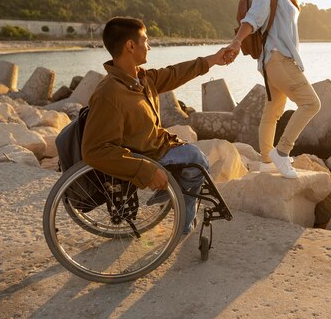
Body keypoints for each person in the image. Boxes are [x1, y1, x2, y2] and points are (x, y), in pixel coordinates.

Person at [81, 16, 230, 233]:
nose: (149, 46)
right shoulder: (109, 94)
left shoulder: (140, 79)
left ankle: (175, 191)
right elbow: (94, 151)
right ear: (131, 46)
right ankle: (184, 224)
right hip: (146, 156)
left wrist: (214, 59)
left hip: (157, 147)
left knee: (193, 158)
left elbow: (176, 73)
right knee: (197, 161)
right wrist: (145, 170)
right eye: (145, 40)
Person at [227, 0, 321, 179]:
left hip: (275, 60)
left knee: (273, 110)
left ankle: (267, 161)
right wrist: (237, 42)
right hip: (278, 59)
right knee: (311, 103)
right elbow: (253, 19)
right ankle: (282, 151)